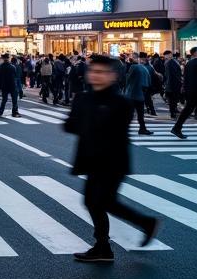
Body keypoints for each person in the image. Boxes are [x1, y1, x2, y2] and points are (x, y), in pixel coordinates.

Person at [64, 55, 160, 263]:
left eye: (101, 72)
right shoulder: (82, 98)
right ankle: (105, 245)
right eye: (93, 71)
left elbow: (114, 132)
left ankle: (110, 242)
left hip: (112, 162)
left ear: (113, 76)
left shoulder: (122, 103)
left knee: (102, 202)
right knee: (95, 202)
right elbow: (69, 125)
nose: (96, 76)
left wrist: (87, 121)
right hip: (90, 160)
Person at [124, 53, 153, 135]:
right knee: (140, 113)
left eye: (133, 57)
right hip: (140, 93)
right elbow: (149, 80)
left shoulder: (133, 67)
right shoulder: (144, 67)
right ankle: (142, 129)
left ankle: (122, 129)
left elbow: (127, 79)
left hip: (133, 93)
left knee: (130, 113)